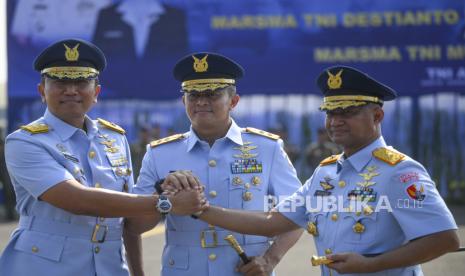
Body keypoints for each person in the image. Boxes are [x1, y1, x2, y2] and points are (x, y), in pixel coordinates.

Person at [194, 66, 460, 275]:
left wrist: (371, 265)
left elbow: (444, 238)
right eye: (330, 112)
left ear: (377, 116)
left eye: (347, 112)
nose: (335, 121)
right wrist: (200, 209)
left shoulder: (400, 172)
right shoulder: (326, 173)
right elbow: (272, 222)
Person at [0, 38, 205, 276]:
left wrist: (137, 273)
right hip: (44, 267)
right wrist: (164, 202)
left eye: (80, 81)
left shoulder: (115, 138)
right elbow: (77, 200)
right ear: (42, 91)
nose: (71, 90)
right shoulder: (25, 141)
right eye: (60, 81)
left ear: (96, 92)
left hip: (109, 267)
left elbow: (128, 219)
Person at [126, 52, 303, 276]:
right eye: (193, 95)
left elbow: (297, 213)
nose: (201, 101)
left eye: (212, 94)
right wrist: (163, 198)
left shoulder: (267, 148)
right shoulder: (159, 154)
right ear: (183, 101)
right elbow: (134, 225)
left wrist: (270, 259)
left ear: (233, 101)